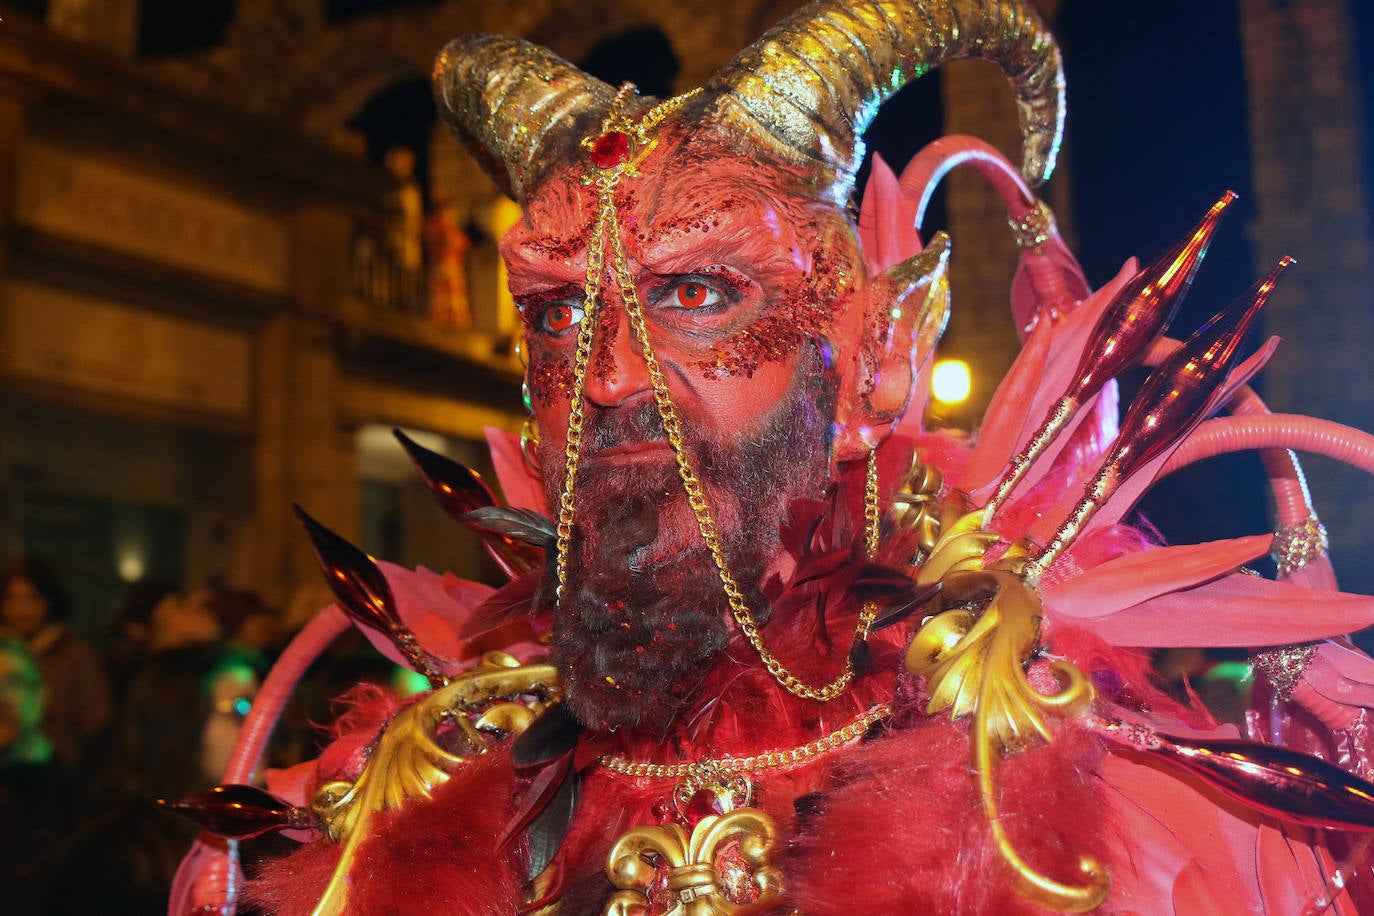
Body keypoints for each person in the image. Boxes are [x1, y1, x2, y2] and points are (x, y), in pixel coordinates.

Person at [169, 2, 1374, 913]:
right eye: (557, 313)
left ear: (881, 355)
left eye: (696, 292)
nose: (610, 376)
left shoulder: (1075, 819)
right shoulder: (386, 821)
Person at [0, 555, 113, 770]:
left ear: (49, 601)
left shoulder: (75, 656)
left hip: (60, 779)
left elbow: (97, 723)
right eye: (11, 599)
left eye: (32, 598)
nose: (21, 610)